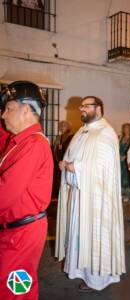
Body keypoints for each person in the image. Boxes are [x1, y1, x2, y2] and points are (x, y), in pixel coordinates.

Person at [55, 96, 125, 292]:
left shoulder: (105, 132)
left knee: (95, 237)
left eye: (86, 106)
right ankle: (82, 272)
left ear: (99, 108)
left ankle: (98, 280)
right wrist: (68, 165)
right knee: (79, 235)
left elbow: (101, 166)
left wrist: (71, 166)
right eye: (81, 106)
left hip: (97, 198)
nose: (82, 109)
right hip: (80, 194)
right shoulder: (83, 130)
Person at [0, 81, 53, 299]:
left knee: (14, 290)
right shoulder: (21, 141)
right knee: (16, 287)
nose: (3, 115)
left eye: (8, 109)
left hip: (22, 234)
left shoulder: (33, 144)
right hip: (17, 230)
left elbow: (5, 193)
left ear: (26, 109)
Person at [52, 120, 73, 197]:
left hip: (66, 164)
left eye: (64, 126)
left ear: (68, 127)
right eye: (60, 126)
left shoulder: (72, 137)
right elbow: (54, 149)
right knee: (57, 181)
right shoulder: (58, 137)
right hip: (57, 162)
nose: (61, 127)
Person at [119, 123, 130, 202]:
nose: (126, 129)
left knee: (127, 177)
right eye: (124, 128)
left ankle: (128, 194)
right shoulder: (121, 138)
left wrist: (125, 157)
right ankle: (121, 193)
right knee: (120, 177)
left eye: (127, 128)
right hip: (119, 161)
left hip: (127, 160)